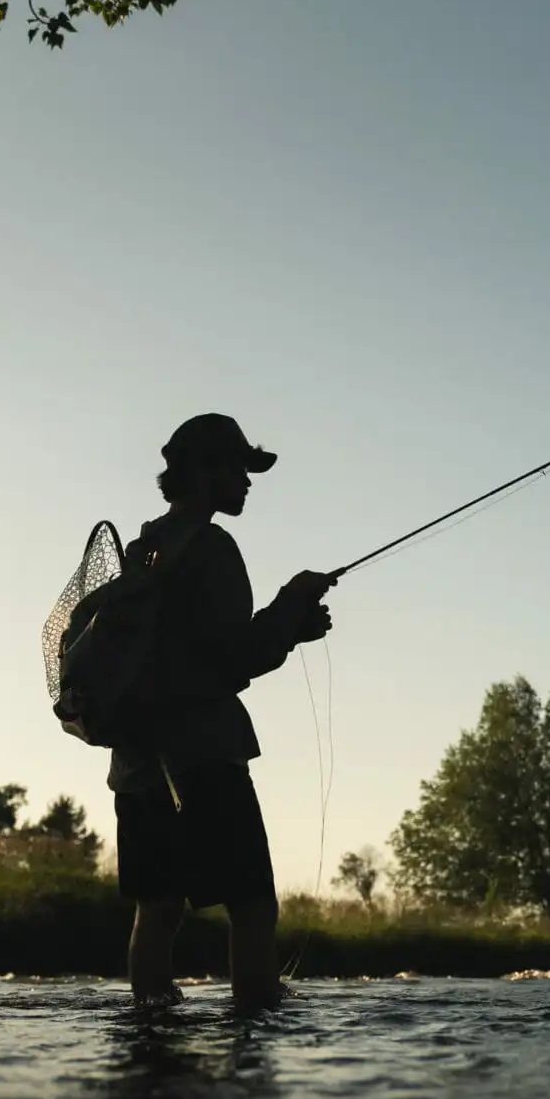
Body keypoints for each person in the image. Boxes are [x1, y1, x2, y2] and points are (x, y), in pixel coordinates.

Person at [112, 413, 336, 1009]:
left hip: (137, 764)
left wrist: (290, 627)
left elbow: (185, 652)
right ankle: (254, 1027)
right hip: (205, 757)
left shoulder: (143, 549)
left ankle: (149, 1031)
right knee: (253, 905)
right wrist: (291, 607)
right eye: (239, 468)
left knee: (157, 907)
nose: (248, 481)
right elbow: (234, 656)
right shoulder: (212, 547)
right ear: (204, 471)